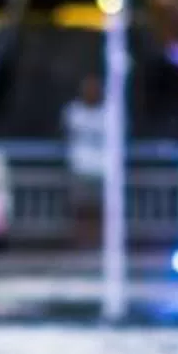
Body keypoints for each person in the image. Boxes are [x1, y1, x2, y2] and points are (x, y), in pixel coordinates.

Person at [62, 75, 106, 241]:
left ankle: (99, 243)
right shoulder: (73, 111)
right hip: (80, 167)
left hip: (104, 169)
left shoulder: (109, 112)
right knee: (80, 208)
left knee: (101, 210)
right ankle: (81, 242)